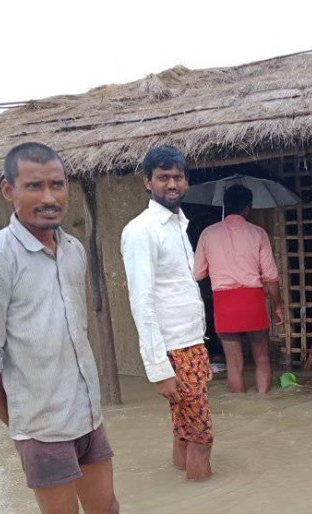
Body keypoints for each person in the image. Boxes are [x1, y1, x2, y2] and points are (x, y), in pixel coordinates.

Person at [0, 142, 119, 514]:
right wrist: (20, 424)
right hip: (41, 427)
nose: (49, 197)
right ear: (8, 191)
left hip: (87, 415)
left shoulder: (72, 250)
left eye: (57, 184)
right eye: (35, 186)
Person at [121, 145, 213, 481]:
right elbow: (141, 301)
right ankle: (206, 503)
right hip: (174, 349)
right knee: (202, 436)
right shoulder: (141, 230)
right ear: (147, 181)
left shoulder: (178, 226)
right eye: (163, 178)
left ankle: (184, 501)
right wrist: (159, 368)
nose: (171, 184)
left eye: (177, 177)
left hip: (191, 342)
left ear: (186, 181)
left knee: (185, 428)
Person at [194, 185, 284, 393]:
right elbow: (270, 276)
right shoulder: (258, 233)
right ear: (248, 208)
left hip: (224, 302)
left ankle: (240, 407)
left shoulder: (208, 234)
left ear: (225, 205)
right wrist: (278, 306)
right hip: (252, 299)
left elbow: (198, 274)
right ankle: (264, 402)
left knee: (234, 365)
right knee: (262, 358)